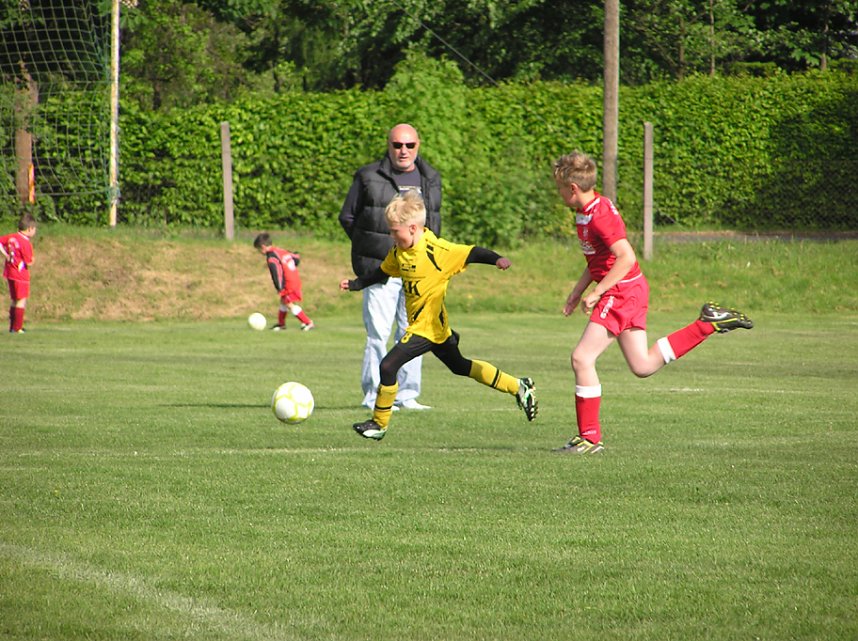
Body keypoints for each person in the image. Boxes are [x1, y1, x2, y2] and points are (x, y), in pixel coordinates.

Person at [552, 151, 753, 454]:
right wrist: (579, 290)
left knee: (581, 358)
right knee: (643, 365)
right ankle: (708, 323)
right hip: (626, 290)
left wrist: (598, 292)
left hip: (621, 292)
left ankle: (590, 438)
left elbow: (626, 257)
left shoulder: (600, 215)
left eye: (558, 188)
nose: (557, 193)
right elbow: (598, 259)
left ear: (573, 188)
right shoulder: (587, 212)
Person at [339, 190, 538, 441]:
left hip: (427, 328)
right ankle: (518, 386)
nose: (391, 235)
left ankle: (379, 424)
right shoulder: (400, 251)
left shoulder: (436, 250)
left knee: (388, 366)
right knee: (460, 366)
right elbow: (382, 272)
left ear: (412, 228)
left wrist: (497, 259)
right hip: (435, 328)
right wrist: (357, 284)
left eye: (394, 230)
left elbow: (471, 252)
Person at [338, 123, 441, 411]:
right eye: (397, 145)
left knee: (413, 333)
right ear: (389, 145)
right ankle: (373, 395)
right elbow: (347, 217)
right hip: (379, 270)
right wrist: (369, 248)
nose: (403, 151)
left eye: (409, 145)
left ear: (418, 145)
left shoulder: (431, 177)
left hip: (417, 271)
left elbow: (433, 221)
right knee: (377, 334)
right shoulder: (368, 175)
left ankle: (407, 395)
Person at [253, 232, 314, 331]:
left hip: (288, 283)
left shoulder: (271, 257)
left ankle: (307, 322)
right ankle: (281, 324)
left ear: (263, 247)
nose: (259, 252)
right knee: (283, 301)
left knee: (288, 303)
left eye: (259, 250)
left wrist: (279, 287)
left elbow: (276, 273)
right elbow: (296, 258)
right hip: (294, 279)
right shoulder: (280, 251)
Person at [1, 212, 37, 334]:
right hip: (21, 274)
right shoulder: (25, 242)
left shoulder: (11, 237)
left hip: (10, 272)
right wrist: (32, 261)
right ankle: (17, 327)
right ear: (30, 228)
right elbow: (29, 261)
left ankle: (12, 326)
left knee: (14, 299)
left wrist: (6, 255)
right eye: (34, 229)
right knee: (21, 300)